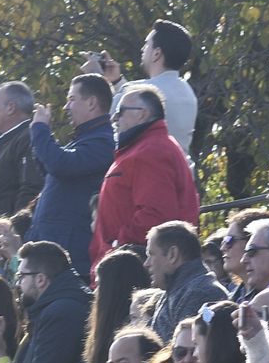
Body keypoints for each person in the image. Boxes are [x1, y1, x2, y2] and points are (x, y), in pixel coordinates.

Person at [89, 84, 198, 265]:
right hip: (126, 262)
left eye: (120, 111)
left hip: (134, 267)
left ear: (142, 113)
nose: (114, 118)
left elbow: (156, 216)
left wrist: (118, 246)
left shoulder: (152, 151)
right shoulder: (145, 148)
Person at [27, 73, 115, 276]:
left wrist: (41, 130)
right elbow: (52, 169)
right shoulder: (84, 139)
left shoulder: (103, 142)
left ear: (92, 103)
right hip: (54, 249)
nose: (66, 107)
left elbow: (60, 165)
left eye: (72, 99)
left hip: (70, 255)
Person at [11, 240, 90, 363]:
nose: (18, 284)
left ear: (40, 279)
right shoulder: (56, 306)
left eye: (21, 276)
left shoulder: (60, 313)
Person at [146, 220, 227, 342]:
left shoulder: (200, 293)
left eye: (151, 255)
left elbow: (183, 350)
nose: (146, 264)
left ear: (172, 255)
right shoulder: (175, 291)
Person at [0, 81, 43, 219]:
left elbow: (31, 188)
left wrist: (15, 227)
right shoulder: (7, 142)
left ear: (10, 108)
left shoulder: (27, 138)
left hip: (10, 230)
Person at [137, 19, 198, 154]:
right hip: (180, 166)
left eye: (146, 44)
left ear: (157, 53)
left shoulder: (139, 92)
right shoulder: (188, 94)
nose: (142, 49)